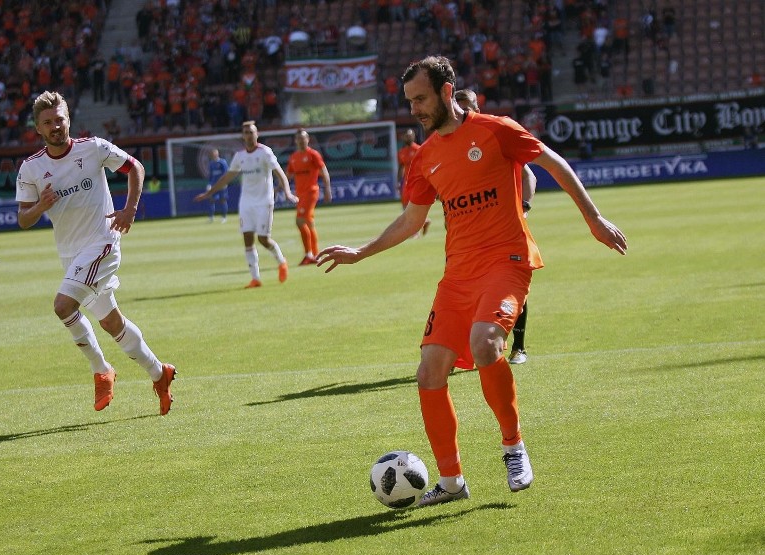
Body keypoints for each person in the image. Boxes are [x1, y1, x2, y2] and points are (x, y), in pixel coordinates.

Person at [317, 56, 627, 506]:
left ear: (446, 92)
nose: (415, 109)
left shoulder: (495, 129)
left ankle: (513, 447)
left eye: (421, 99)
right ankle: (451, 482)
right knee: (428, 373)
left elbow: (553, 162)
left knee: (486, 344)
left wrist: (594, 219)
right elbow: (410, 221)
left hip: (507, 261)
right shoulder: (424, 158)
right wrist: (361, 252)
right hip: (457, 276)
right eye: (409, 101)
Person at [15, 91, 176, 415]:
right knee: (111, 323)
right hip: (71, 254)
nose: (55, 126)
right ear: (38, 128)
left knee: (63, 306)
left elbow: (135, 168)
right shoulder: (31, 168)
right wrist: (40, 206)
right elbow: (23, 219)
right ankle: (160, 373)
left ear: (68, 119)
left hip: (103, 242)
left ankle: (102, 370)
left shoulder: (94, 148)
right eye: (48, 122)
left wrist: (129, 209)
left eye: (59, 119)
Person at [454, 88, 534, 366]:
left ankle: (519, 347)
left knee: (510, 289)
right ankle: (468, 352)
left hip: (505, 231)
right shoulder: (450, 141)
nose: (463, 112)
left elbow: (529, 174)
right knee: (472, 291)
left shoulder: (495, 131)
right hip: (470, 235)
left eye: (468, 106)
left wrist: (524, 206)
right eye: (459, 106)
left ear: (477, 106)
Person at [194, 121, 298, 288]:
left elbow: (280, 173)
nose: (249, 135)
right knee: (248, 239)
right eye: (246, 132)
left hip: (264, 201)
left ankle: (281, 261)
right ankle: (255, 278)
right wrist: (209, 193)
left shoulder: (265, 152)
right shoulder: (240, 156)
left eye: (251, 132)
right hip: (246, 203)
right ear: (242, 136)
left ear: (257, 134)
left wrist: (287, 192)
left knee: (263, 239)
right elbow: (227, 177)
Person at [286, 128, 332, 265]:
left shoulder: (313, 154)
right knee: (308, 223)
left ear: (308, 139)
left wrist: (327, 189)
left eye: (303, 138)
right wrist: (278, 187)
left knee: (299, 221)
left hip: (311, 192)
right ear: (295, 140)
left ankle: (308, 254)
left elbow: (323, 170)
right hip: (300, 194)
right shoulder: (294, 157)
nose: (301, 140)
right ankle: (315, 254)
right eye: (298, 138)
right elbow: (288, 174)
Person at [396, 128, 430, 237]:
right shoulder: (401, 152)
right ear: (403, 137)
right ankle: (424, 222)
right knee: (405, 206)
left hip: (417, 181)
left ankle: (414, 232)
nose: (408, 137)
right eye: (406, 136)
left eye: (410, 135)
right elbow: (400, 167)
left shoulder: (418, 149)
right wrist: (398, 182)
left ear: (414, 136)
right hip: (406, 182)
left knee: (415, 205)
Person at [203, 148, 229, 223]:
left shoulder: (222, 162)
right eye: (213, 153)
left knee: (223, 200)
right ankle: (211, 217)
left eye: (215, 153)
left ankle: (224, 217)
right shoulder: (211, 163)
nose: (214, 155)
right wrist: (209, 184)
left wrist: (225, 183)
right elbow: (211, 175)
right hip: (214, 185)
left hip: (221, 185)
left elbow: (226, 174)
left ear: (218, 154)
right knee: (211, 200)